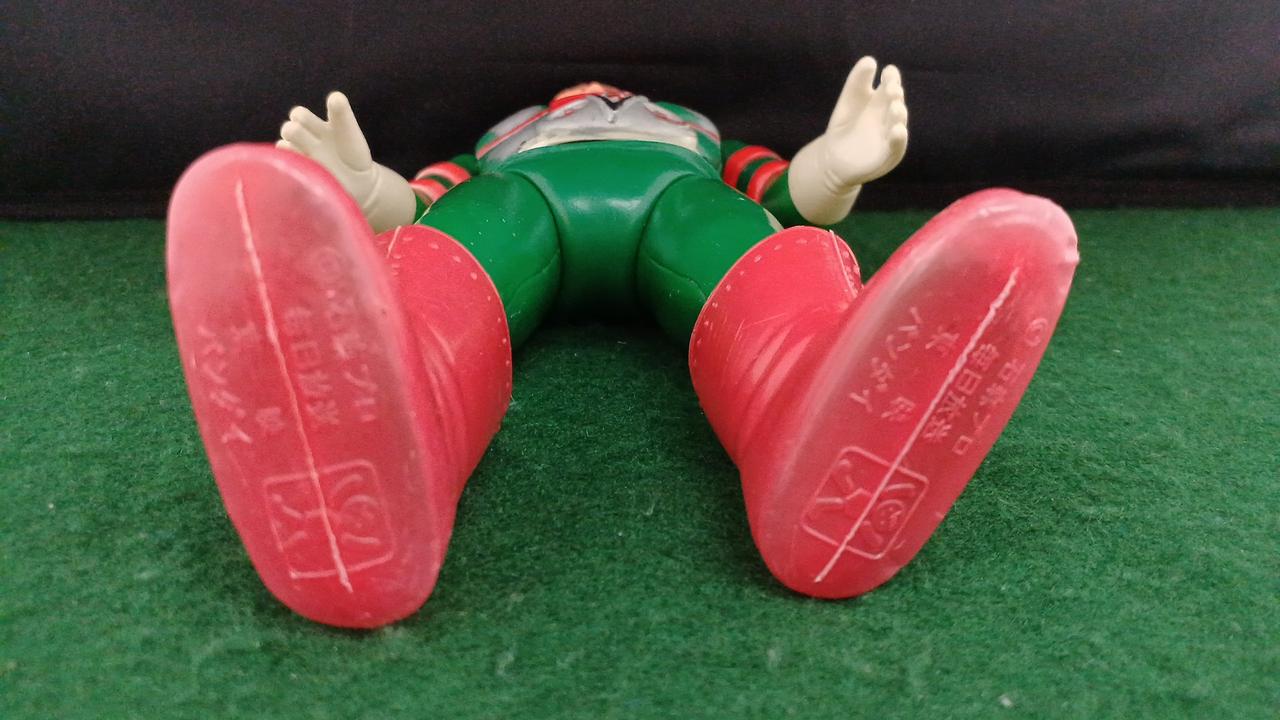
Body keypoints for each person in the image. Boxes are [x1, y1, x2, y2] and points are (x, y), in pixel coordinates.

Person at [166, 57, 1078, 628]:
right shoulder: (496, 152)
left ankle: (809, 398)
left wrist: (835, 165)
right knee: (448, 255)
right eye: (580, 96)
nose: (602, 96)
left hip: (677, 204)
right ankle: (402, 404)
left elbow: (787, 197)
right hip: (522, 204)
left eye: (620, 95)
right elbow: (418, 204)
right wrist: (366, 188)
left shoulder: (703, 144)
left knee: (746, 246)